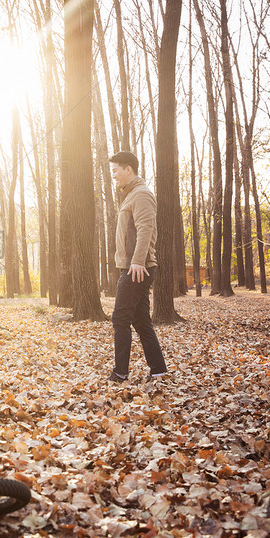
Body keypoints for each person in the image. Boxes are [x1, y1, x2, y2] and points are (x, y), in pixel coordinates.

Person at [107, 151, 167, 382]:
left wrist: (137, 261)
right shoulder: (132, 195)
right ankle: (159, 370)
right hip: (133, 266)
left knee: (120, 318)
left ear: (128, 169)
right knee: (141, 321)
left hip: (137, 267)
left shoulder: (141, 194)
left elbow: (145, 229)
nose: (113, 176)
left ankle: (120, 373)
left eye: (115, 170)